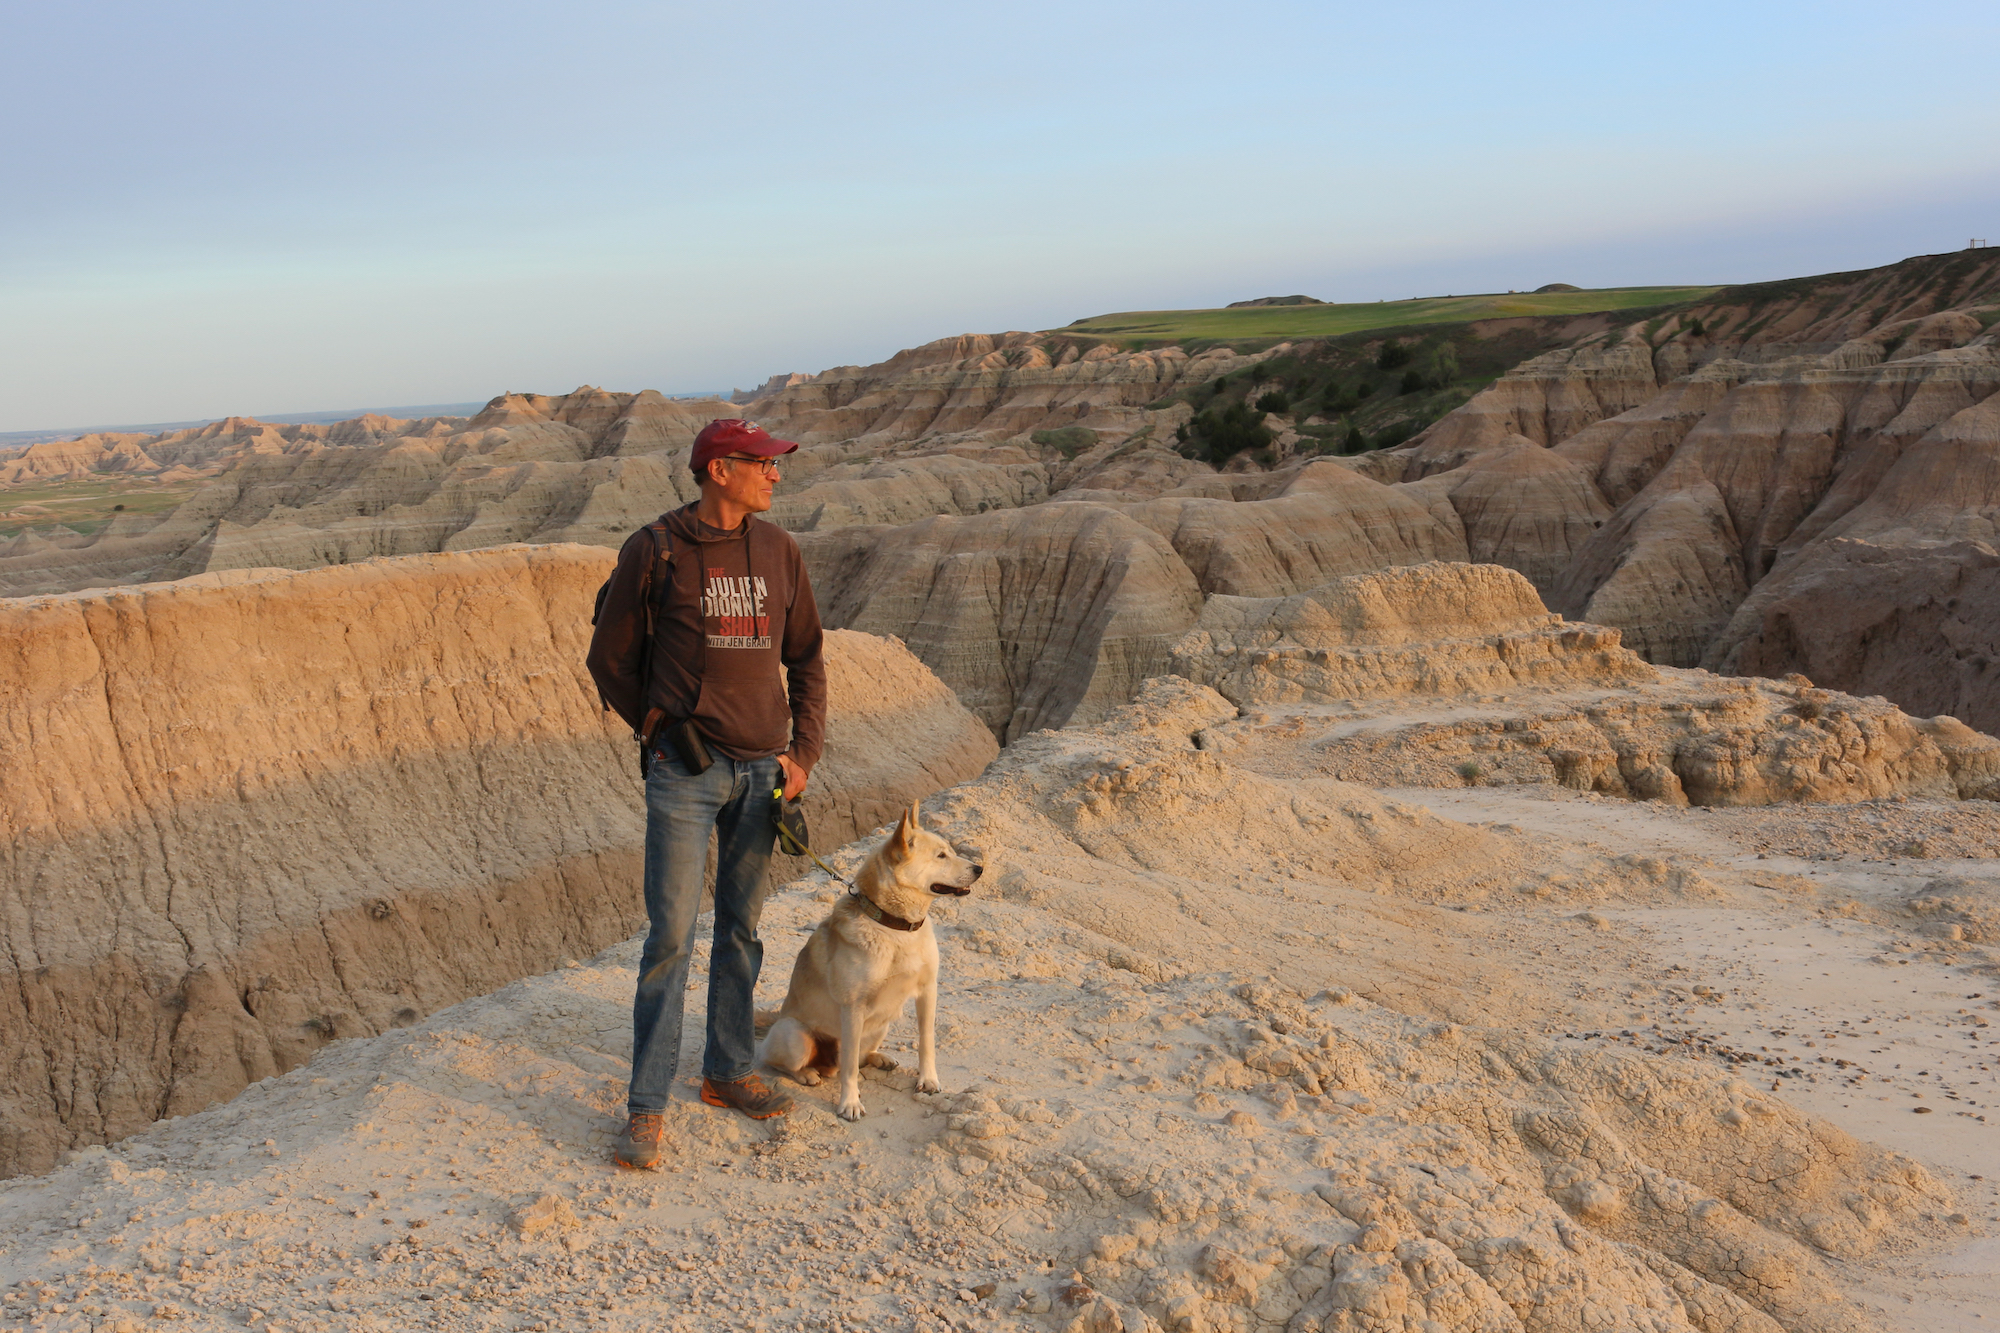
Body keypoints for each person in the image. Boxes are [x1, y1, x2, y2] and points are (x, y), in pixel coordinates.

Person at [586, 417, 827, 1170]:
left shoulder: (780, 550)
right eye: (762, 463)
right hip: (686, 777)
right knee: (669, 940)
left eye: (775, 464)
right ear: (718, 470)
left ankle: (726, 1071)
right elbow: (609, 659)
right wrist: (659, 729)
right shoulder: (655, 549)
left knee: (743, 930)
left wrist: (804, 754)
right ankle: (646, 1106)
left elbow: (808, 657)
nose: (775, 475)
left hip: (764, 773)